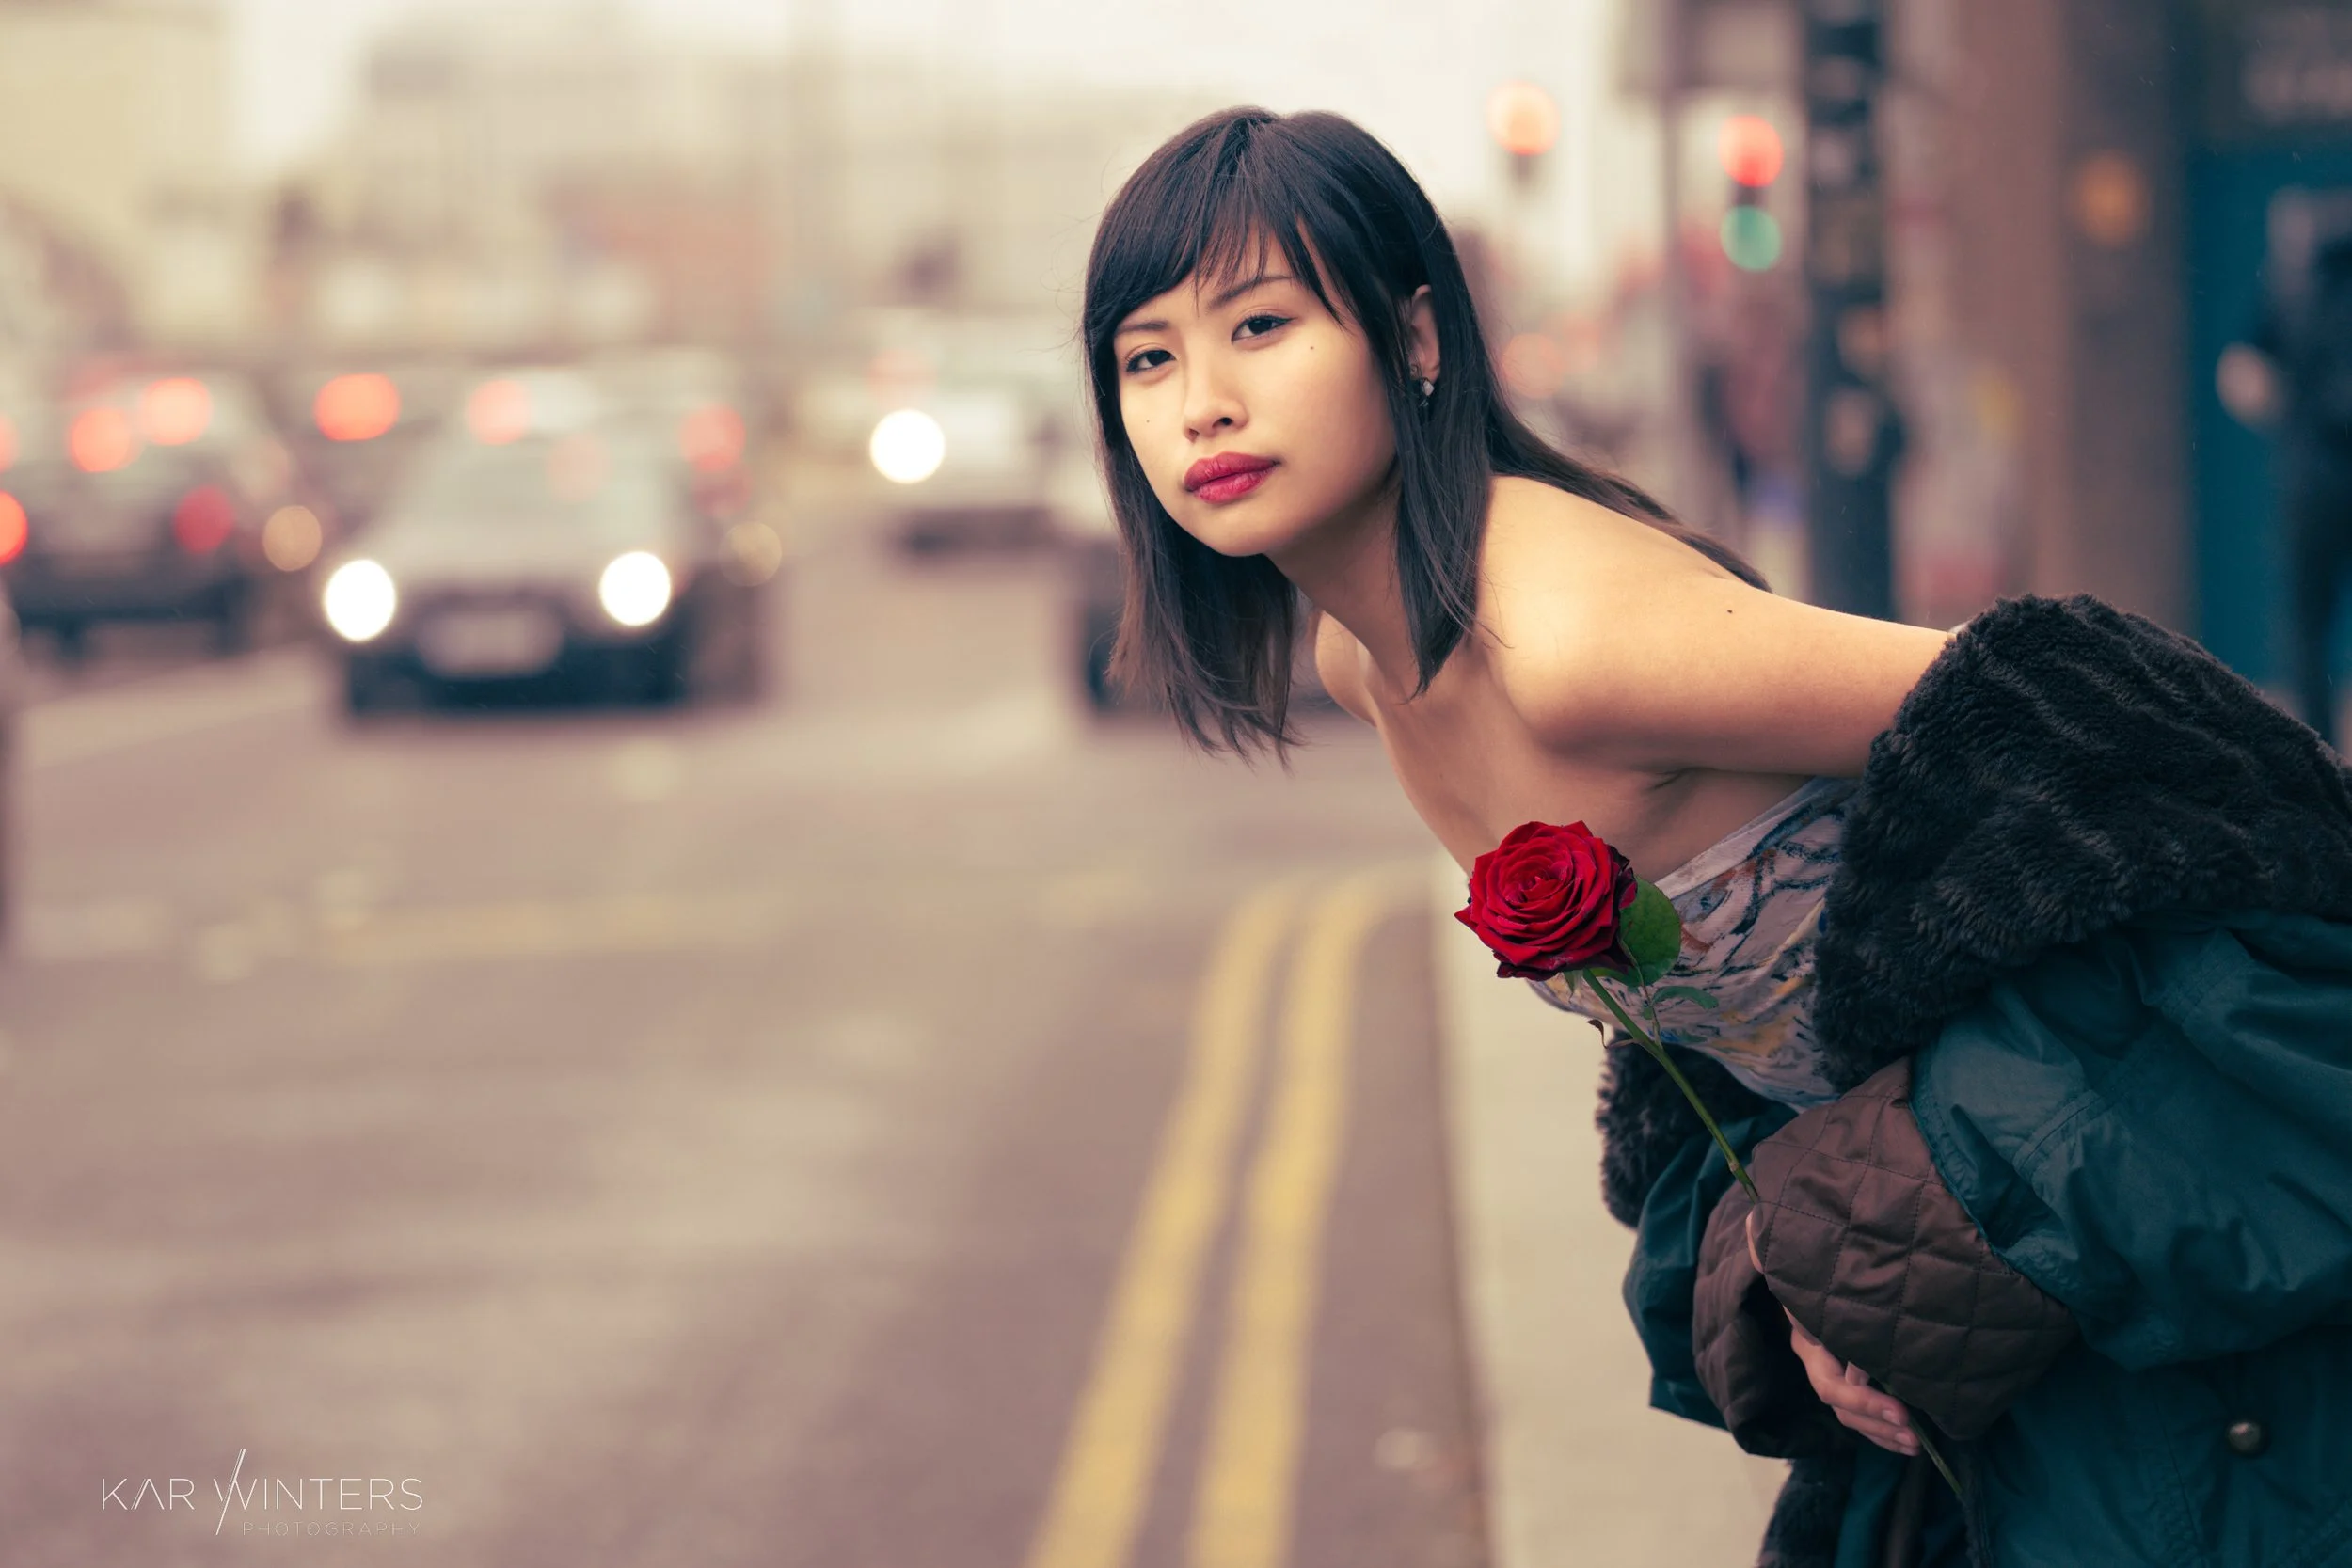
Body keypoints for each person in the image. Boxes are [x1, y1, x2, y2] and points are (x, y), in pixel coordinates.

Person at [1082, 105, 2352, 1568]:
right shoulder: (1364, 664)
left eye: (1261, 325)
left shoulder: (1559, 630)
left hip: (2158, 1182)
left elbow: (2081, 715)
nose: (1203, 405)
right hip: (1980, 1317)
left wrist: (1913, 1212)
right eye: (1150, 357)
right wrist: (1802, 1268)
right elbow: (1704, 1039)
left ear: (1414, 337)